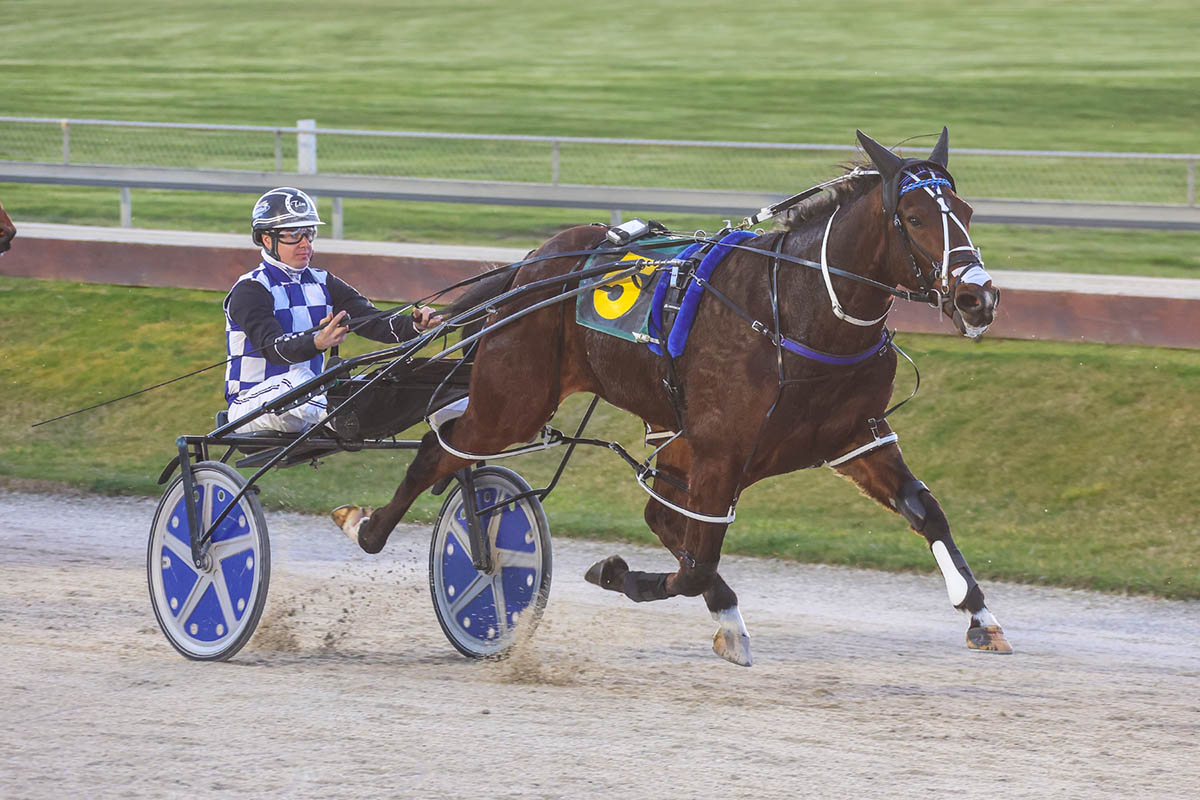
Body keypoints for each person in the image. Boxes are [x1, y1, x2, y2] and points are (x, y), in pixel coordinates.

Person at [224, 187, 441, 432]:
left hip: (307, 400)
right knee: (297, 382)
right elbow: (273, 349)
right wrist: (317, 342)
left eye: (309, 233)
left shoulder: (323, 282)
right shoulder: (250, 289)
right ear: (267, 239)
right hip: (251, 406)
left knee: (388, 379)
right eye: (294, 234)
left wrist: (414, 324)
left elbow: (373, 321)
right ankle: (343, 416)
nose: (305, 243)